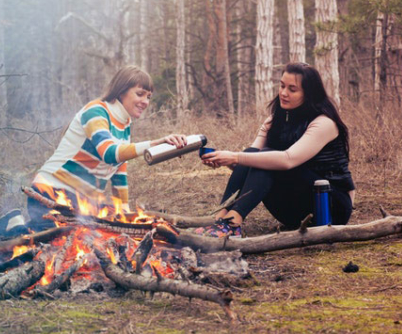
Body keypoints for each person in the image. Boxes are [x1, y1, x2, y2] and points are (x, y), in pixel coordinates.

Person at [195, 62, 355, 238]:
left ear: (309, 94)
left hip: (329, 208)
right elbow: (249, 162)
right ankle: (220, 220)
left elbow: (288, 160)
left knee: (262, 158)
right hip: (292, 209)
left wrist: (234, 157)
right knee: (252, 154)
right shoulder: (273, 120)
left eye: (292, 89)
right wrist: (225, 161)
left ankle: (232, 224)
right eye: (282, 86)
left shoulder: (323, 123)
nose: (283, 93)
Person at [25, 65, 187, 231]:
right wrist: (153, 144)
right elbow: (109, 154)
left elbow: (119, 172)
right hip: (52, 193)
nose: (145, 102)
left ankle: (14, 226)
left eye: (149, 97)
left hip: (82, 203)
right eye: (140, 94)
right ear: (121, 91)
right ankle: (12, 227)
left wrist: (124, 213)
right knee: (56, 242)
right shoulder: (96, 111)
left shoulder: (125, 124)